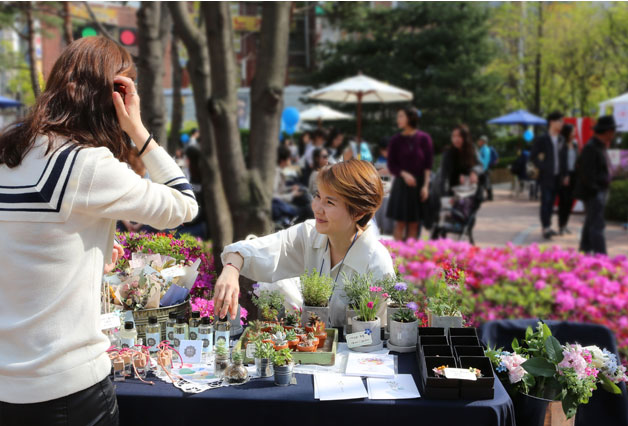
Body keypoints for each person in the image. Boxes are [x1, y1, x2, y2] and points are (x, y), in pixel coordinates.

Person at [0, 37, 198, 424]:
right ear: (114, 96)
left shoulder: (9, 155)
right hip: (68, 383)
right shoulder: (85, 165)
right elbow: (183, 204)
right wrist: (138, 130)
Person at [213, 160, 395, 327]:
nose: (316, 207)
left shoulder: (376, 264)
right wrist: (231, 268)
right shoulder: (309, 234)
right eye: (318, 196)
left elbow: (380, 338)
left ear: (358, 213)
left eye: (329, 202)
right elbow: (264, 248)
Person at [386, 107, 433, 241]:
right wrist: (404, 174)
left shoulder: (425, 139)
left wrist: (426, 186)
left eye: (401, 116)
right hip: (401, 184)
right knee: (399, 223)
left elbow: (428, 165)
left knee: (414, 223)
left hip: (419, 186)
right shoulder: (395, 140)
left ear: (410, 118)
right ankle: (395, 259)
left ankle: (410, 257)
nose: (398, 119)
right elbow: (391, 165)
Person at [575, 116, 616, 254]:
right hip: (594, 193)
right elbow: (586, 173)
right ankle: (601, 257)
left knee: (590, 224)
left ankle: (584, 250)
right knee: (597, 226)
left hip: (598, 191)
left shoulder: (599, 146)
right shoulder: (591, 147)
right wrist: (596, 190)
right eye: (613, 131)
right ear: (607, 132)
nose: (614, 134)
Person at [530, 111, 564, 239]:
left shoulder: (561, 139)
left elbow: (563, 158)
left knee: (551, 203)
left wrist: (565, 174)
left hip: (557, 176)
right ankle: (545, 227)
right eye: (559, 121)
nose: (561, 124)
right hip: (545, 177)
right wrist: (543, 167)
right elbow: (533, 156)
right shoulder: (542, 139)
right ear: (552, 122)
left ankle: (548, 225)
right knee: (546, 201)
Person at [440, 124, 479, 196]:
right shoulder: (448, 153)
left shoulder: (472, 149)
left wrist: (474, 172)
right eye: (453, 136)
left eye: (459, 136)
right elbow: (444, 177)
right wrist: (444, 196)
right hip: (452, 191)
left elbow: (479, 165)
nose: (456, 139)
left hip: (468, 190)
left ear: (466, 137)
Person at [558, 123, 578, 235]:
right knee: (563, 201)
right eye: (572, 132)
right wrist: (565, 175)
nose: (574, 134)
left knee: (570, 202)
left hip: (574, 175)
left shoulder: (575, 145)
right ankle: (561, 225)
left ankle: (565, 224)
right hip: (564, 176)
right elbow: (561, 162)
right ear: (567, 133)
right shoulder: (561, 145)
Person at [476, 135, 494, 201]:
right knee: (486, 183)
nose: (478, 142)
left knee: (482, 184)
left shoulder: (485, 149)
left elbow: (486, 160)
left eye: (479, 140)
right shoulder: (483, 149)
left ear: (483, 141)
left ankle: (483, 197)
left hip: (483, 169)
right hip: (483, 169)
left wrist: (482, 169)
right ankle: (490, 197)